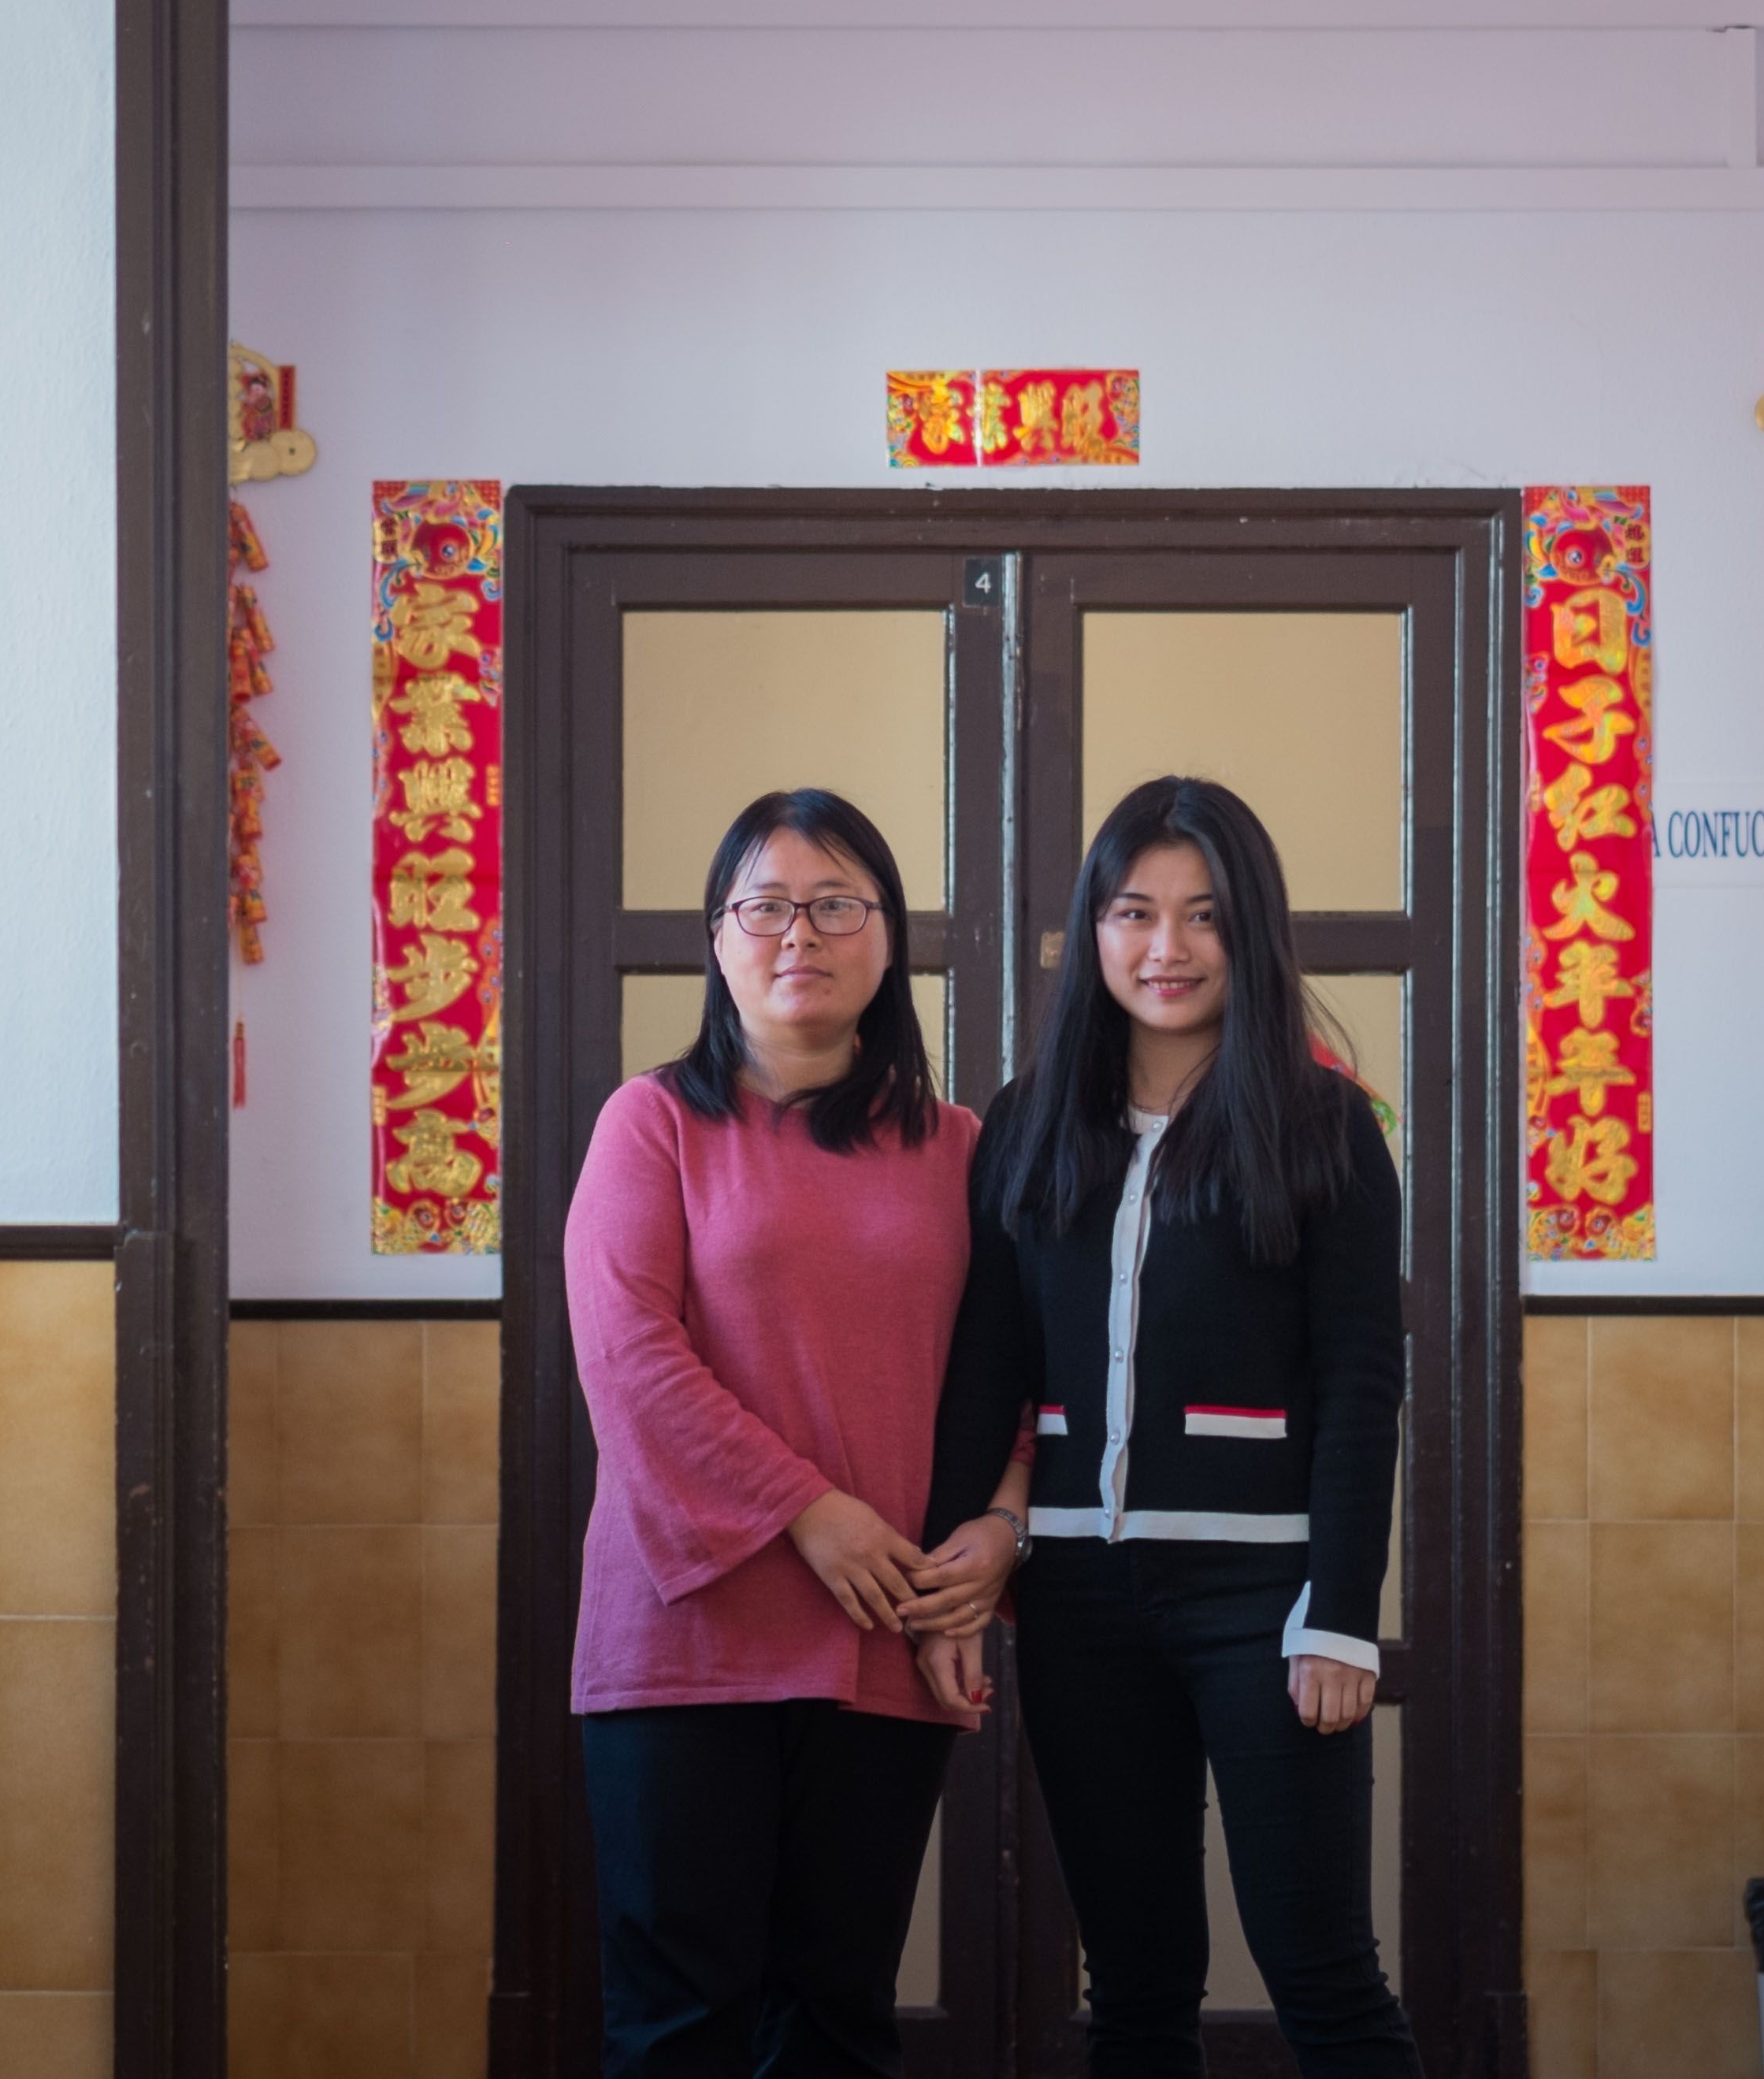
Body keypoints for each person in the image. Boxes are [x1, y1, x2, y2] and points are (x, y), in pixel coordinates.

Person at [919, 775, 1417, 2079]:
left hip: (1266, 1598)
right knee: (1134, 1988)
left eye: (1203, 917)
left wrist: (1341, 1614)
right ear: (1092, 930)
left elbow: (1363, 1383)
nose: (1167, 949)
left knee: (1323, 1974)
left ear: (1249, 935)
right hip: (1078, 1596)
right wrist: (955, 1584)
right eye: (1134, 913)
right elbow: (988, 1367)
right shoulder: (1026, 1123)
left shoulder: (1327, 1128)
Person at [563, 787, 1015, 2079]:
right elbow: (628, 1354)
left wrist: (998, 1525)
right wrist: (807, 1511)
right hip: (684, 1634)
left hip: (885, 1633)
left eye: (835, 905)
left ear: (887, 940)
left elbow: (1004, 1370)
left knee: (834, 2018)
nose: (797, 934)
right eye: (765, 906)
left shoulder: (961, 1147)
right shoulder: (650, 1123)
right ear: (717, 939)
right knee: (677, 2023)